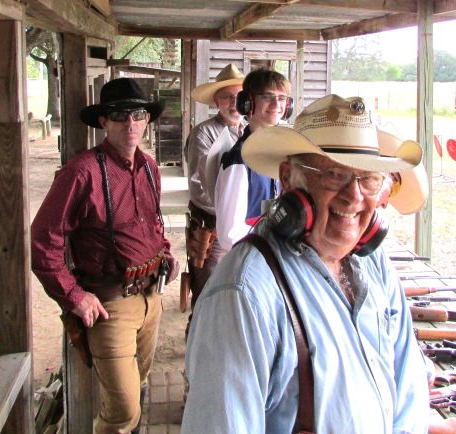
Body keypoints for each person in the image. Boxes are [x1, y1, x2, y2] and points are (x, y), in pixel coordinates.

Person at [182, 94, 430, 433]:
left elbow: (407, 392)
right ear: (288, 178)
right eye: (334, 174)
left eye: (369, 179)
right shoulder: (242, 294)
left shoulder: (374, 262)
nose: (354, 197)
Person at [31, 77, 179, 434]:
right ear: (103, 121)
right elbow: (43, 239)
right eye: (119, 115)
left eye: (137, 114)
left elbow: (151, 224)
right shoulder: (82, 172)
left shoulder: (149, 167)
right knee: (122, 411)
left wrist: (165, 253)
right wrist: (74, 296)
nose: (130, 122)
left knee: (138, 386)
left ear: (147, 119)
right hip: (110, 305)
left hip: (151, 297)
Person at [185, 64, 246, 306]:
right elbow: (198, 186)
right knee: (208, 292)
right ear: (216, 101)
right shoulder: (203, 134)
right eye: (227, 97)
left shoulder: (248, 131)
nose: (234, 102)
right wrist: (227, 208)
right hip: (212, 227)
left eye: (239, 96)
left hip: (243, 226)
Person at [213, 68, 292, 252]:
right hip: (255, 256)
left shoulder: (283, 153)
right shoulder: (239, 160)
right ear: (247, 103)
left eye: (281, 98)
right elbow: (230, 235)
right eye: (267, 97)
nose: (276, 104)